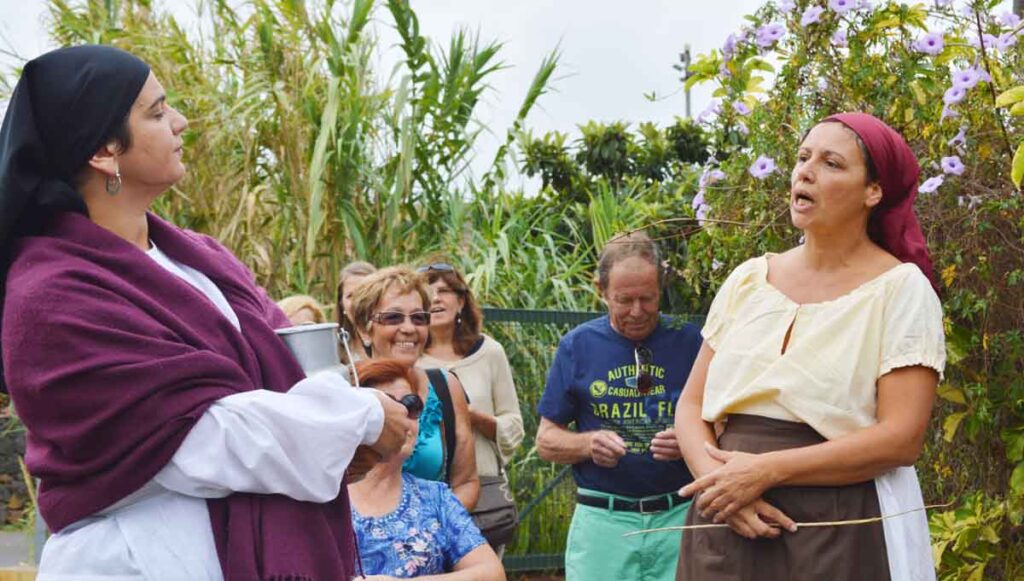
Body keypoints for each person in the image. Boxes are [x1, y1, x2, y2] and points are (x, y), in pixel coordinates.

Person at [0, 45, 414, 580]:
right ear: (105, 150)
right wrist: (359, 420)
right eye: (156, 112)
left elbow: (295, 366)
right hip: (133, 561)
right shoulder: (51, 298)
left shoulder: (203, 261)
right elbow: (188, 438)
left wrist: (343, 437)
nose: (180, 121)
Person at [674, 113, 945, 581]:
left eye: (831, 163)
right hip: (726, 518)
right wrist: (719, 486)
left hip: (834, 522)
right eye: (802, 158)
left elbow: (902, 436)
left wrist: (769, 471)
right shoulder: (749, 279)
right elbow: (693, 404)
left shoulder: (900, 289)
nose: (805, 171)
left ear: (873, 192)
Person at [535, 231, 703, 581]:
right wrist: (587, 444)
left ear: (662, 288)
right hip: (603, 522)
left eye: (648, 298)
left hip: (679, 516)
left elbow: (724, 425)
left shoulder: (690, 341)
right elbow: (546, 440)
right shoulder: (578, 345)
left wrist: (690, 441)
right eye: (624, 300)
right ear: (601, 291)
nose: (638, 312)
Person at [349, 358, 505, 581]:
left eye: (411, 405)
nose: (403, 417)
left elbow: (492, 574)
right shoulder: (324, 497)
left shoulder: (435, 498)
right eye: (388, 406)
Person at [351, 266, 481, 510]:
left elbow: (466, 482)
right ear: (363, 329)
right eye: (393, 317)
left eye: (419, 318)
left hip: (432, 541)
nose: (409, 328)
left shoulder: (446, 386)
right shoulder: (345, 389)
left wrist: (431, 529)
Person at [418, 262, 524, 553]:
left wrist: (471, 416)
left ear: (461, 301)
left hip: (483, 496)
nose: (436, 298)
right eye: (428, 291)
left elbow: (513, 425)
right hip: (425, 493)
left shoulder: (490, 352)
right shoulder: (409, 358)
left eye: (444, 290)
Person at [337, 260, 376, 362]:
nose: (357, 302)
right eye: (350, 296)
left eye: (365, 293)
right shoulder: (332, 350)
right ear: (341, 304)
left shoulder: (396, 342)